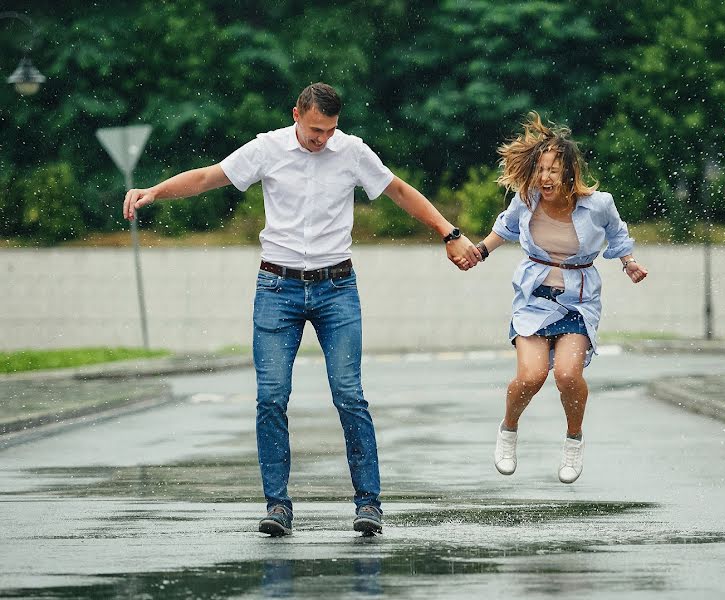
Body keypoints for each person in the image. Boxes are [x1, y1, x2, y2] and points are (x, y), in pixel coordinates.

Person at [123, 82, 481, 536]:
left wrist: (449, 233)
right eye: (315, 130)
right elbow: (208, 177)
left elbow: (399, 191)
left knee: (349, 395)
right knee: (271, 397)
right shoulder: (266, 149)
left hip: (337, 289)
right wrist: (154, 191)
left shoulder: (351, 151)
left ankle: (369, 504)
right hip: (277, 288)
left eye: (330, 131)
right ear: (296, 114)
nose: (322, 140)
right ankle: (277, 506)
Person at [470, 112, 647, 484]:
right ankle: (508, 429)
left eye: (553, 170)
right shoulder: (527, 199)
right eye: (541, 169)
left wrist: (628, 263)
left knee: (567, 375)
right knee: (531, 377)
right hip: (534, 298)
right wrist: (478, 253)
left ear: (569, 172)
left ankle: (573, 439)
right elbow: (503, 228)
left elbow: (618, 235)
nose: (545, 177)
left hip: (577, 300)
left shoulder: (599, 204)